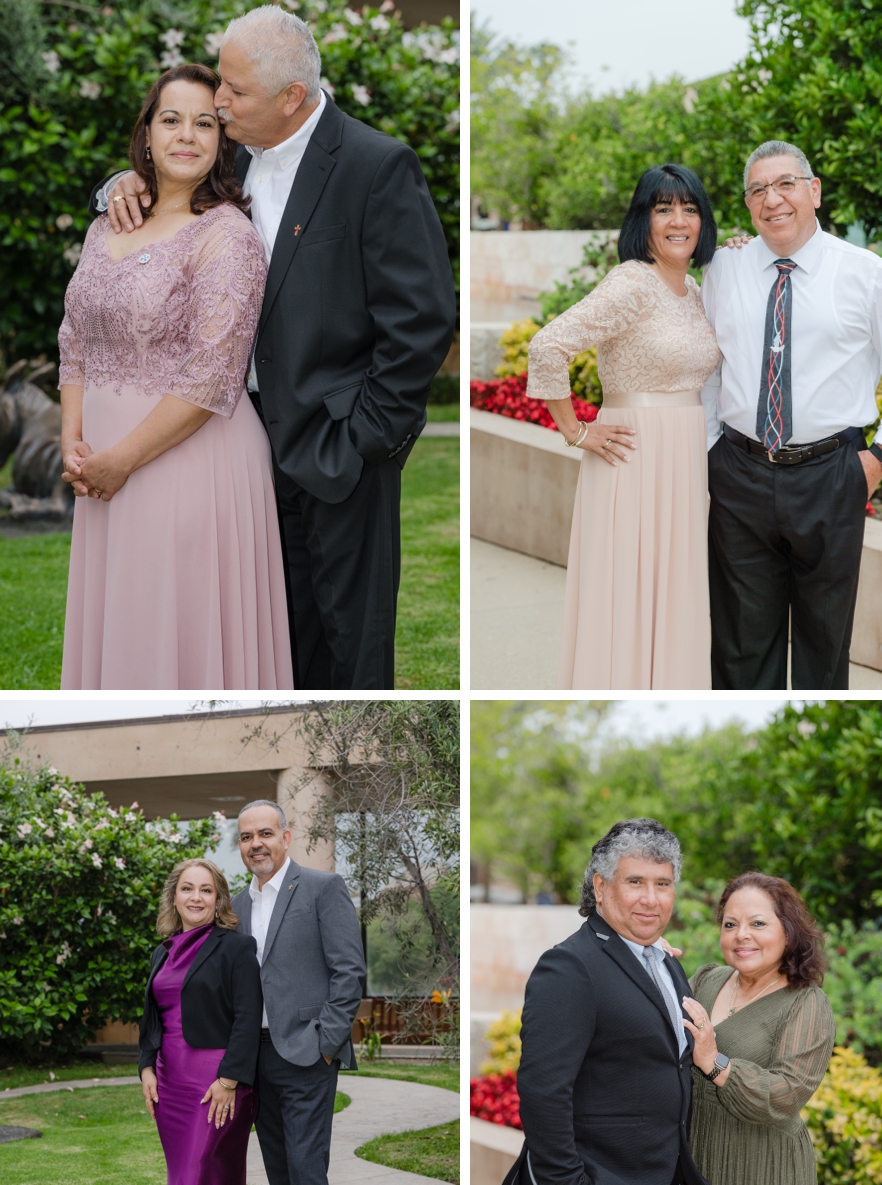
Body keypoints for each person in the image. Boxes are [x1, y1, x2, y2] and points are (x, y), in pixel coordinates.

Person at [94, 5, 457, 689]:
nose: (217, 103)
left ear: (292, 98)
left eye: (233, 92)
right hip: (235, 448)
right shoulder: (229, 154)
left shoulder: (376, 165)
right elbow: (161, 197)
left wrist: (364, 440)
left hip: (339, 450)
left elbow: (423, 320)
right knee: (268, 644)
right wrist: (115, 186)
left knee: (350, 650)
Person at [59, 64, 292, 689]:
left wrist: (121, 460)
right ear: (148, 133)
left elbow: (211, 374)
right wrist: (73, 441)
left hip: (189, 459)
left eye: (205, 123)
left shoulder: (228, 236)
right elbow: (74, 336)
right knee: (122, 617)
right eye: (171, 119)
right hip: (101, 461)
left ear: (224, 141)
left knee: (176, 622)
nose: (186, 135)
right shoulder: (109, 222)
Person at [497, 818, 720, 1185]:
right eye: (635, 882)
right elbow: (544, 1089)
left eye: (663, 884)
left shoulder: (664, 963)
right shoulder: (569, 966)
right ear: (600, 887)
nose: (651, 898)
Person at [699, 140, 882, 690]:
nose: (772, 199)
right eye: (758, 189)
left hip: (832, 475)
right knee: (737, 649)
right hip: (739, 473)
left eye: (785, 184)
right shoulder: (725, 268)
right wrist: (711, 450)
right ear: (748, 203)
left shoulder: (867, 274)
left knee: (823, 649)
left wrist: (879, 456)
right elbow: (709, 366)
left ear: (814, 191)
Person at [526, 165, 721, 689]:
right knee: (628, 590)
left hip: (683, 461)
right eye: (663, 209)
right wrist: (577, 431)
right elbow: (548, 346)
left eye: (690, 208)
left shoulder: (696, 291)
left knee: (673, 589)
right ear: (644, 220)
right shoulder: (632, 282)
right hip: (632, 457)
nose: (679, 221)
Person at [660, 873, 835, 1185]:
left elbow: (786, 1095)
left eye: (759, 923)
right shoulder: (708, 980)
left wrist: (716, 1064)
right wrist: (648, 963)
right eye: (731, 923)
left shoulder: (806, 1004)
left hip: (762, 1174)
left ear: (788, 932)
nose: (743, 935)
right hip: (698, 1161)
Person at [231, 798, 366, 1185]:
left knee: (307, 1168)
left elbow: (349, 971)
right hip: (257, 1057)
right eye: (246, 837)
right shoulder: (238, 904)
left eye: (266, 833)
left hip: (307, 1054)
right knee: (281, 1168)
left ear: (287, 837)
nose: (256, 843)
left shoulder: (321, 888)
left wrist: (326, 1044)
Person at [138, 858, 265, 1185]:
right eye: (187, 889)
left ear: (219, 900)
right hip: (170, 1086)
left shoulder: (235, 948)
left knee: (204, 1182)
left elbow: (247, 1016)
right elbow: (151, 1019)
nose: (196, 898)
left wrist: (230, 1079)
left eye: (206, 891)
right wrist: (146, 1066)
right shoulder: (162, 952)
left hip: (217, 1086)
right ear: (175, 897)